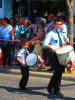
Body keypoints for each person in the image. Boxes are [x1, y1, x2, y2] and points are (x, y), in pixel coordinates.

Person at [43, 20, 68, 96]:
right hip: (54, 54)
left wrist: (66, 41)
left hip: (61, 54)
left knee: (59, 72)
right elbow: (45, 44)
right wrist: (51, 47)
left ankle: (50, 87)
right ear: (54, 25)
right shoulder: (50, 33)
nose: (59, 26)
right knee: (58, 71)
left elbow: (62, 43)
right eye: (57, 24)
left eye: (60, 24)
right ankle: (57, 90)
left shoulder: (61, 33)